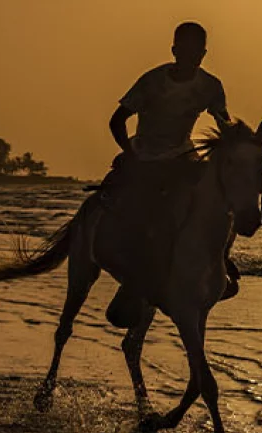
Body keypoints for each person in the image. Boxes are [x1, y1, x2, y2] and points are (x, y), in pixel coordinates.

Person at [103, 21, 243, 299]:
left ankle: (220, 258)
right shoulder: (152, 81)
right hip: (145, 155)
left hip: (183, 154)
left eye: (197, 54)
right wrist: (130, 155)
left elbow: (222, 121)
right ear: (174, 50)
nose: (192, 59)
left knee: (222, 198)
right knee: (143, 210)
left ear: (203, 54)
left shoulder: (210, 86)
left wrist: (243, 138)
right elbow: (117, 120)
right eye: (185, 52)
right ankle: (134, 276)